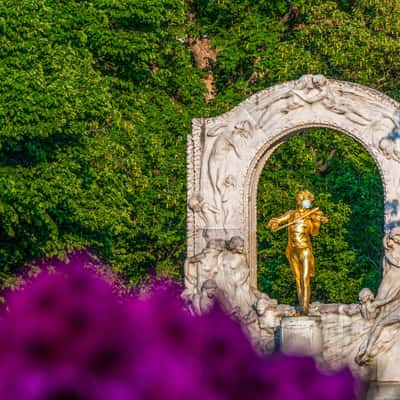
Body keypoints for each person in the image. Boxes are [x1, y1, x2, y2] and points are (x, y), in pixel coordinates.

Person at [267, 190, 328, 315]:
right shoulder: (291, 214)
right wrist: (274, 224)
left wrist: (317, 221)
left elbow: (314, 232)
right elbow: (279, 220)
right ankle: (301, 308)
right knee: (297, 279)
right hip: (292, 250)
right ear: (300, 201)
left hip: (304, 249)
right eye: (307, 200)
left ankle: (305, 310)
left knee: (305, 278)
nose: (309, 203)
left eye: (310, 201)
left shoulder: (311, 216)